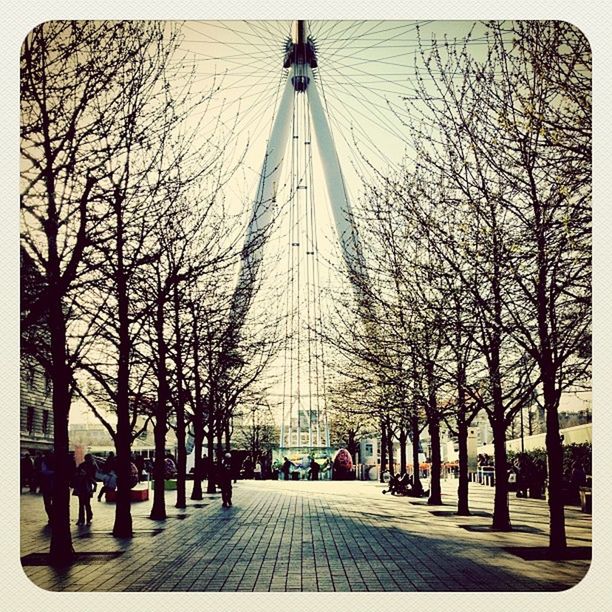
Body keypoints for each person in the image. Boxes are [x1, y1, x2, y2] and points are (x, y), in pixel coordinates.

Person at [72, 454, 97, 525]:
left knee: (82, 504)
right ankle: (88, 518)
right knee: (87, 503)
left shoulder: (82, 465)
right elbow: (93, 477)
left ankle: (81, 519)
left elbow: (77, 475)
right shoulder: (93, 466)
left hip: (82, 486)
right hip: (87, 486)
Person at [38, 451, 55, 523]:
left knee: (48, 503)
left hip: (47, 485)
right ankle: (52, 518)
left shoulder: (43, 463)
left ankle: (51, 518)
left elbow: (42, 472)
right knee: (52, 503)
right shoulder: (55, 463)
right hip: (52, 485)